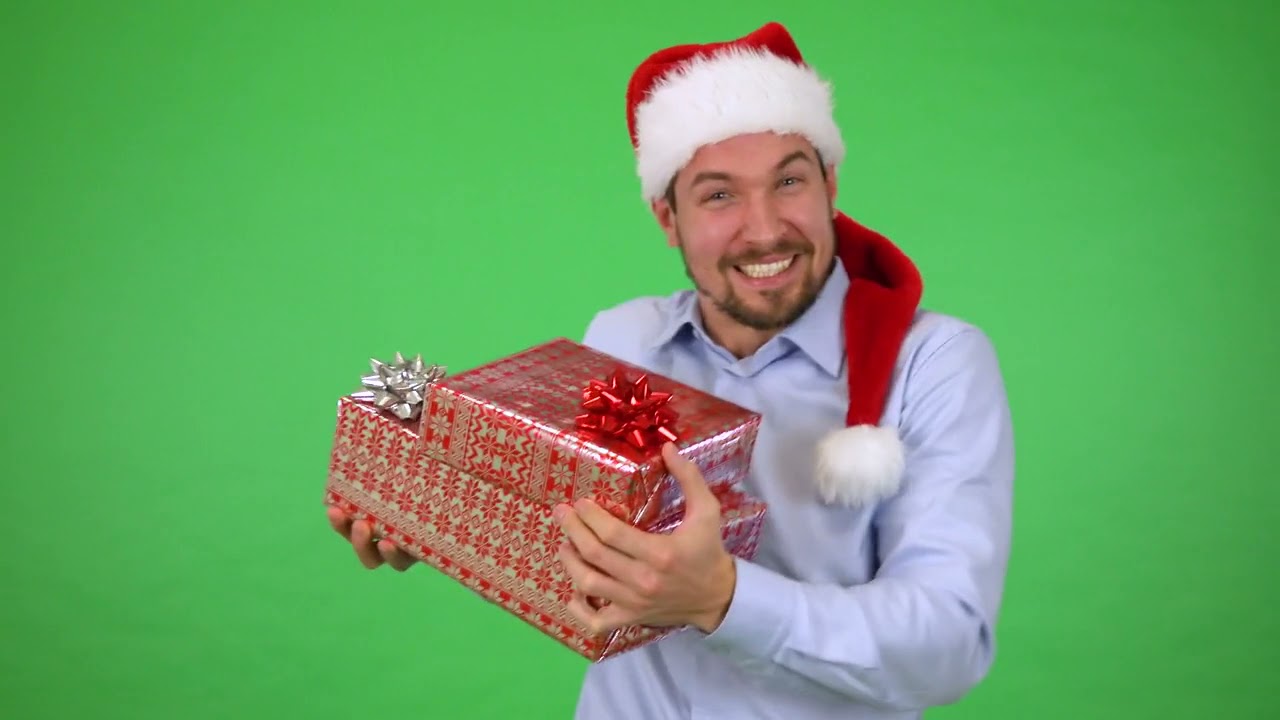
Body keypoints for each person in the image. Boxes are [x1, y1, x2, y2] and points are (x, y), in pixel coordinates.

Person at [328, 21, 1015, 719]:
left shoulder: (936, 362)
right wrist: (438, 519)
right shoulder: (622, 337)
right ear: (668, 218)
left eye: (789, 181)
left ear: (831, 183)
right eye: (719, 195)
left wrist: (721, 596)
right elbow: (573, 546)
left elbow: (948, 644)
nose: (765, 227)